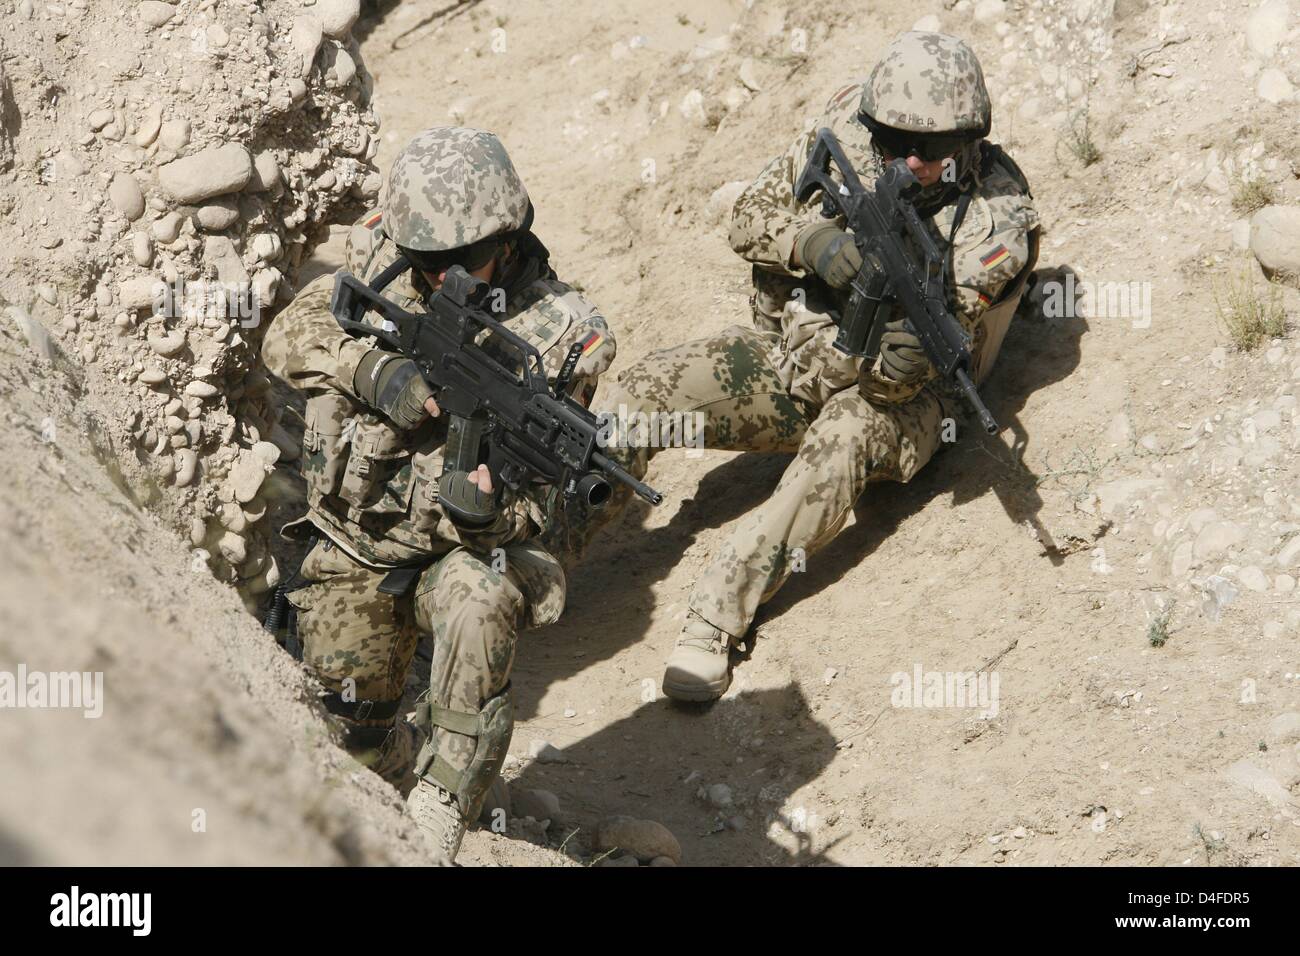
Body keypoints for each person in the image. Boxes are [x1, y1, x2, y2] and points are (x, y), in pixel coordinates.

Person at [588, 31, 1041, 701]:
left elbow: (903, 376)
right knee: (646, 389)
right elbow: (746, 217)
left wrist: (900, 351)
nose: (911, 161)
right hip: (792, 356)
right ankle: (547, 537)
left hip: (897, 401)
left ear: (969, 138)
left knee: (840, 443)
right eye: (893, 142)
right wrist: (810, 241)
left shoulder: (996, 222)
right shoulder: (849, 130)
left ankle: (716, 615)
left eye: (934, 150)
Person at [261, 126, 616, 862]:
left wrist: (490, 516)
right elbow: (286, 336)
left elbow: (553, 514)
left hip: (462, 554)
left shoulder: (564, 334)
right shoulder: (381, 257)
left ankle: (443, 802)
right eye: (427, 262)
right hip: (354, 539)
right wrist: (369, 371)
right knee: (346, 740)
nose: (439, 277)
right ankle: (410, 755)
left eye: (464, 259)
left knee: (484, 595)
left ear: (509, 237)